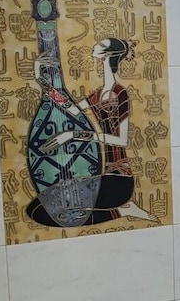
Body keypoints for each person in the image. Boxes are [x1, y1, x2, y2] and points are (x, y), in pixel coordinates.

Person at [33, 38, 157, 225]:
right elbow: (70, 109)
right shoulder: (97, 95)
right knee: (38, 209)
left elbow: (121, 140)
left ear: (107, 55)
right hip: (104, 174)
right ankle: (122, 211)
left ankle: (122, 211)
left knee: (46, 211)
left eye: (101, 45)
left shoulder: (120, 93)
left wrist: (73, 135)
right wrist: (40, 79)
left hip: (119, 180)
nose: (95, 46)